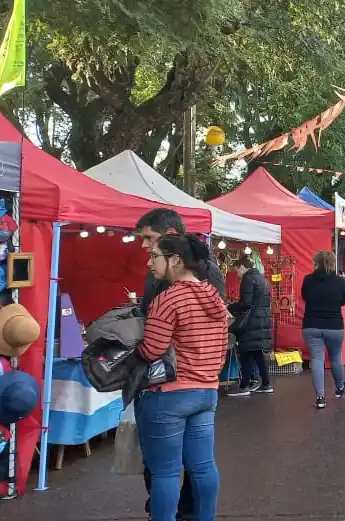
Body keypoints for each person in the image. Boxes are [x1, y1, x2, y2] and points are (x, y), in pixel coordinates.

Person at [134, 208, 225, 520]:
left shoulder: (169, 298)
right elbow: (222, 348)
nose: (149, 262)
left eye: (154, 256)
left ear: (174, 260)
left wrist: (135, 349)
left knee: (165, 473)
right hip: (207, 390)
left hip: (170, 395)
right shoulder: (213, 296)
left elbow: (153, 349)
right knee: (203, 467)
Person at [300, 251, 345, 409]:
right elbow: (343, 301)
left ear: (316, 263)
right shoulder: (339, 281)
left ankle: (320, 397)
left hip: (311, 324)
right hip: (334, 325)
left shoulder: (308, 280)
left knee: (317, 359)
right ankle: (340, 388)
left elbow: (304, 297)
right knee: (336, 358)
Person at [227, 257, 273, 396]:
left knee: (245, 353)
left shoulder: (248, 279)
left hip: (251, 322)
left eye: (237, 270)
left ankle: (243, 386)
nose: (237, 274)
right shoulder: (263, 279)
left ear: (241, 266)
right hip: (263, 321)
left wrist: (230, 307)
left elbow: (246, 303)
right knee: (258, 354)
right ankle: (266, 384)